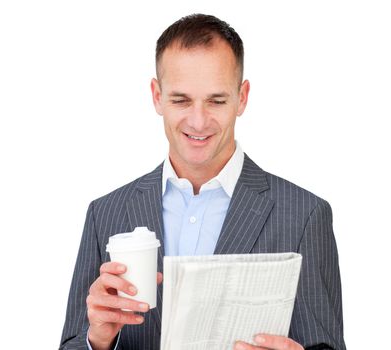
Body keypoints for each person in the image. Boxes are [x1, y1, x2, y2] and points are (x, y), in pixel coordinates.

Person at [60, 13, 346, 350]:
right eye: (180, 100)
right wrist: (97, 339)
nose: (198, 122)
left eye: (217, 100)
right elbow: (71, 344)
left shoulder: (302, 215)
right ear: (156, 96)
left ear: (242, 97)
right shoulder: (105, 213)